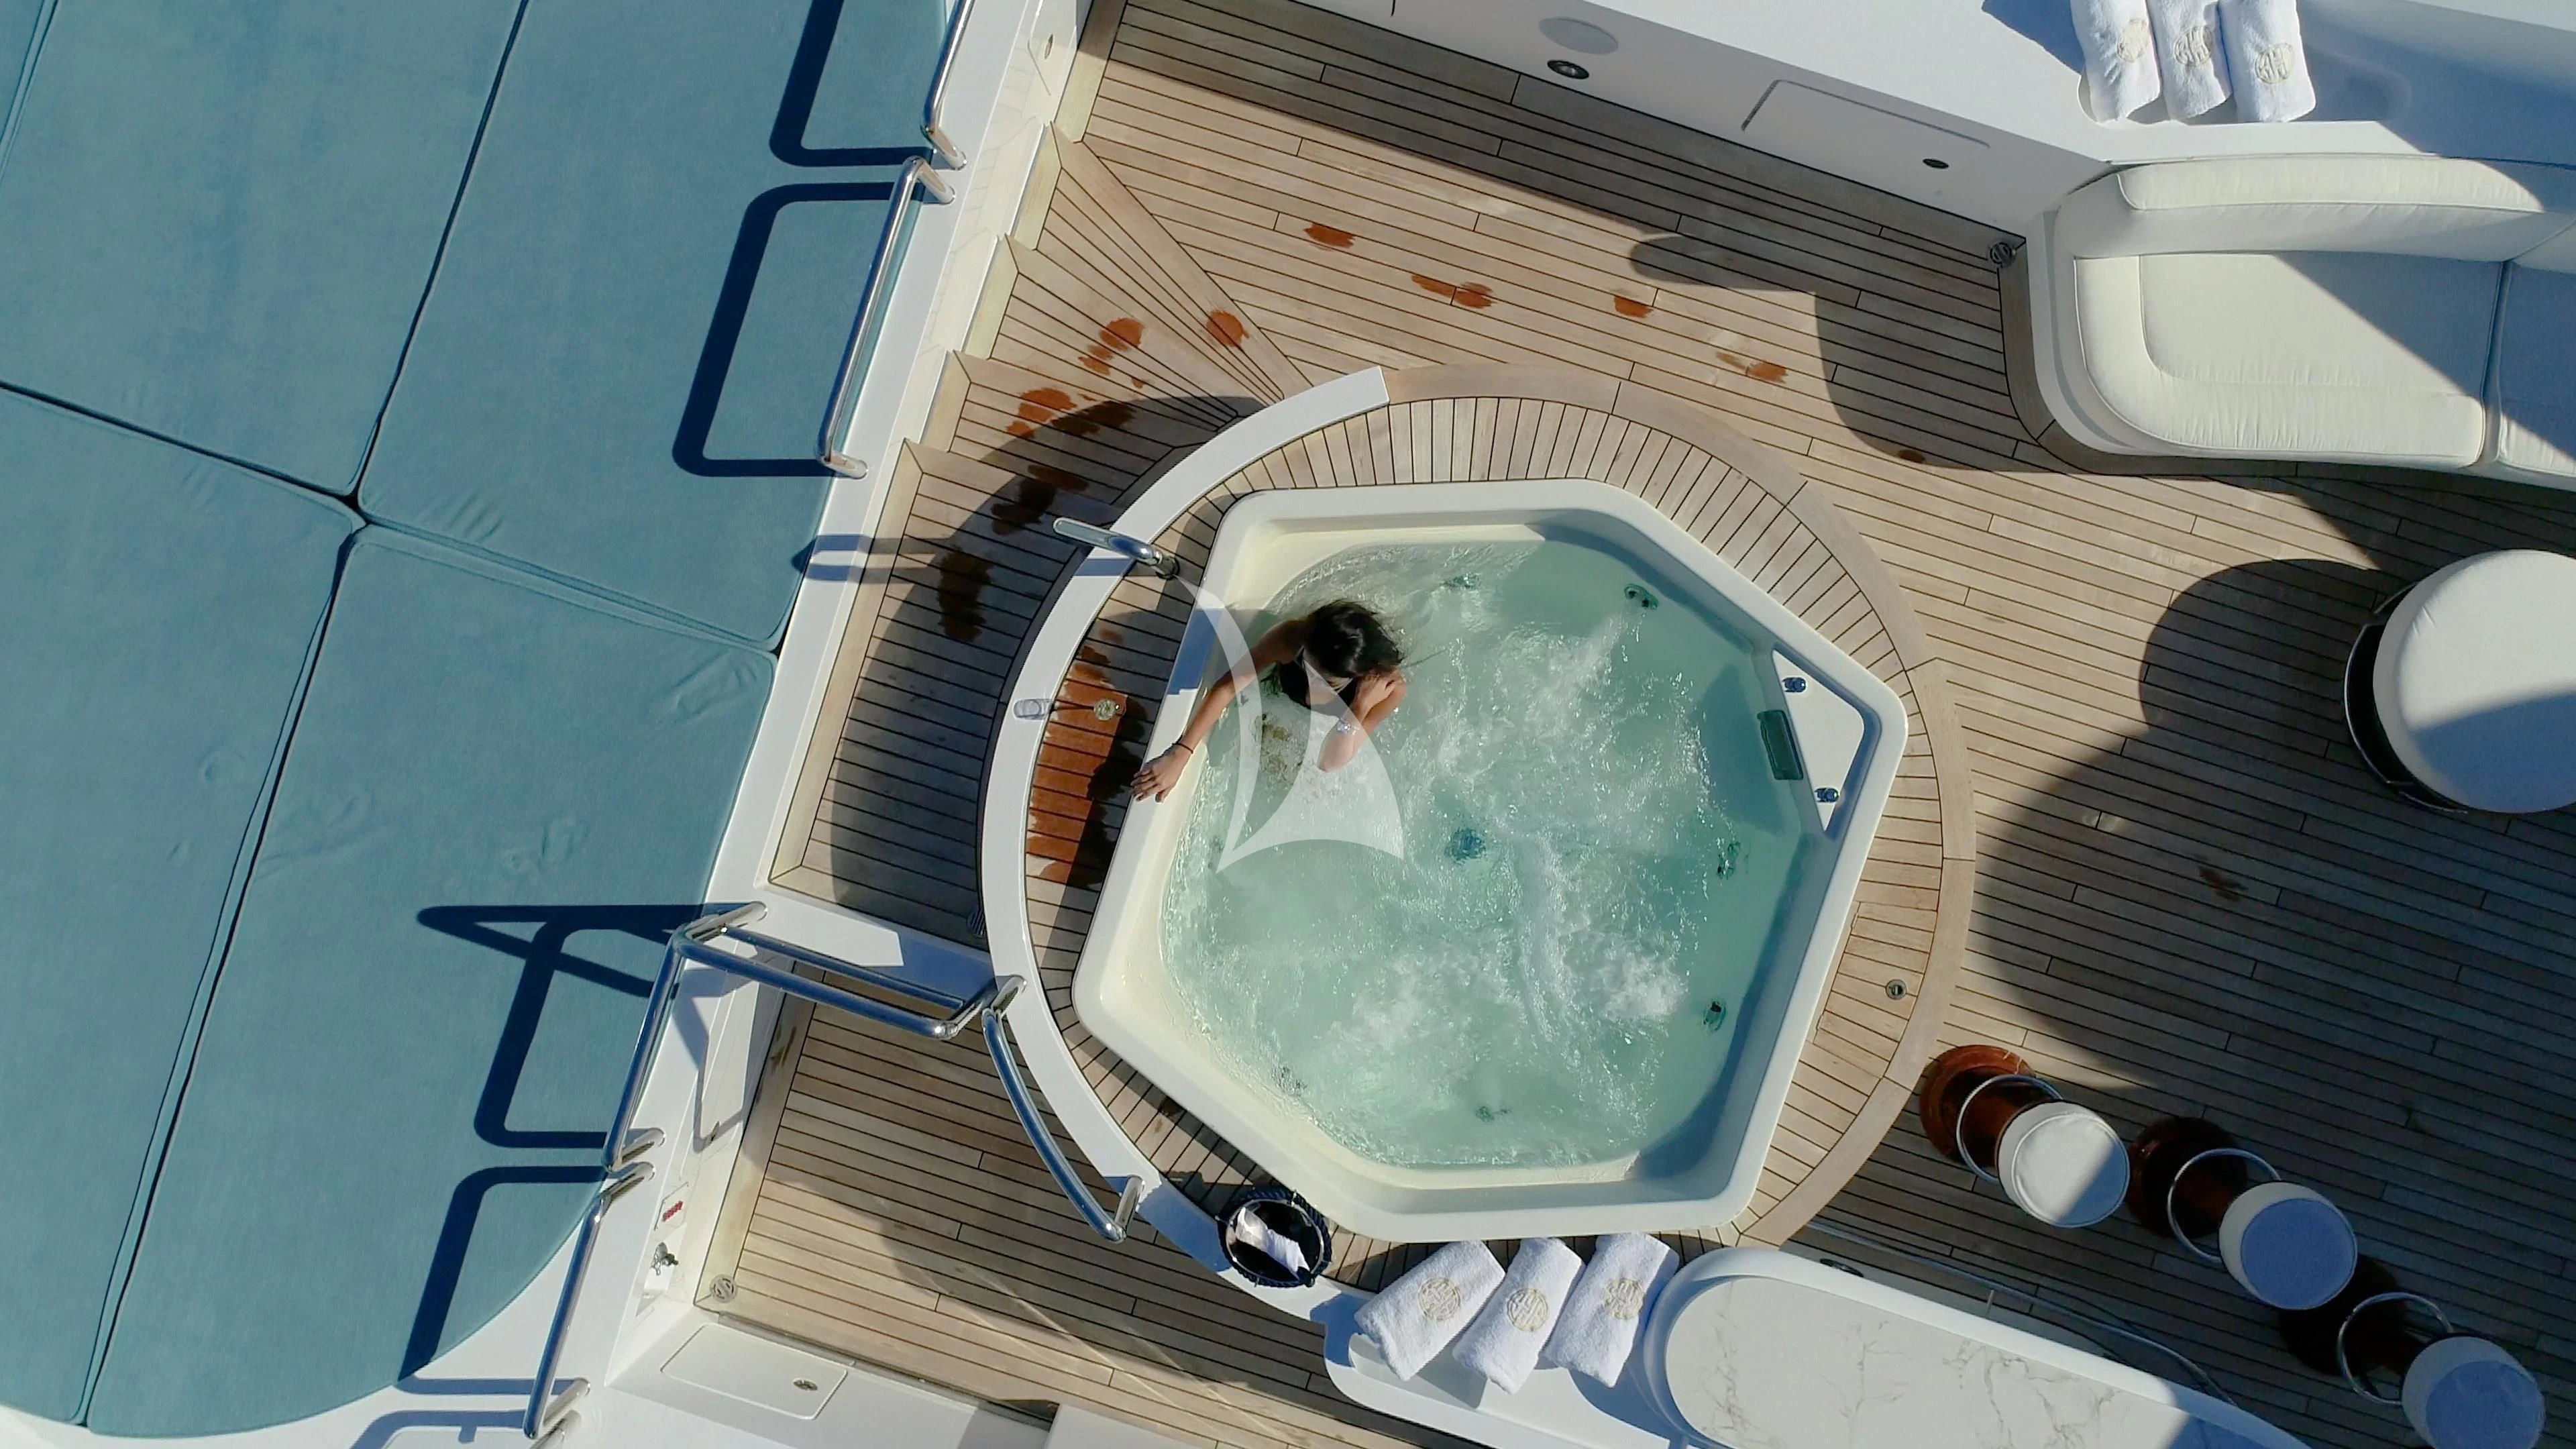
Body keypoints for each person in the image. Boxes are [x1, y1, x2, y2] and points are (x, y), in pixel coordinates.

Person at [1130, 600, 1407, 800]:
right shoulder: (1292, 639)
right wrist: (1182, 752)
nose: (1312, 681)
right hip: (1278, 694)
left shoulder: (1388, 689)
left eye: (1326, 680)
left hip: (1334, 733)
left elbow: (1328, 762)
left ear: (1358, 674)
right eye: (1306, 665)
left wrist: (1359, 708)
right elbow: (1229, 686)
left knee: (1305, 786)